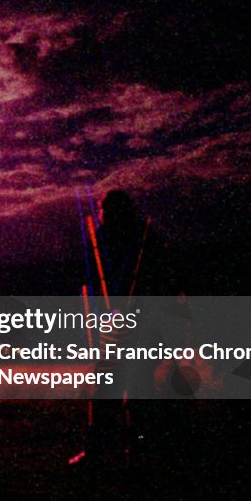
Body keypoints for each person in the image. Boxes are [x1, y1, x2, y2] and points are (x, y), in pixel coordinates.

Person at [71, 189, 181, 469]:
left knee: (135, 392)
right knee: (110, 392)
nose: (100, 214)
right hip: (116, 327)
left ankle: (136, 449)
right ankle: (103, 450)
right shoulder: (104, 241)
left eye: (103, 209)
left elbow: (165, 282)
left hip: (139, 327)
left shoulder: (142, 241)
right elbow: (91, 283)